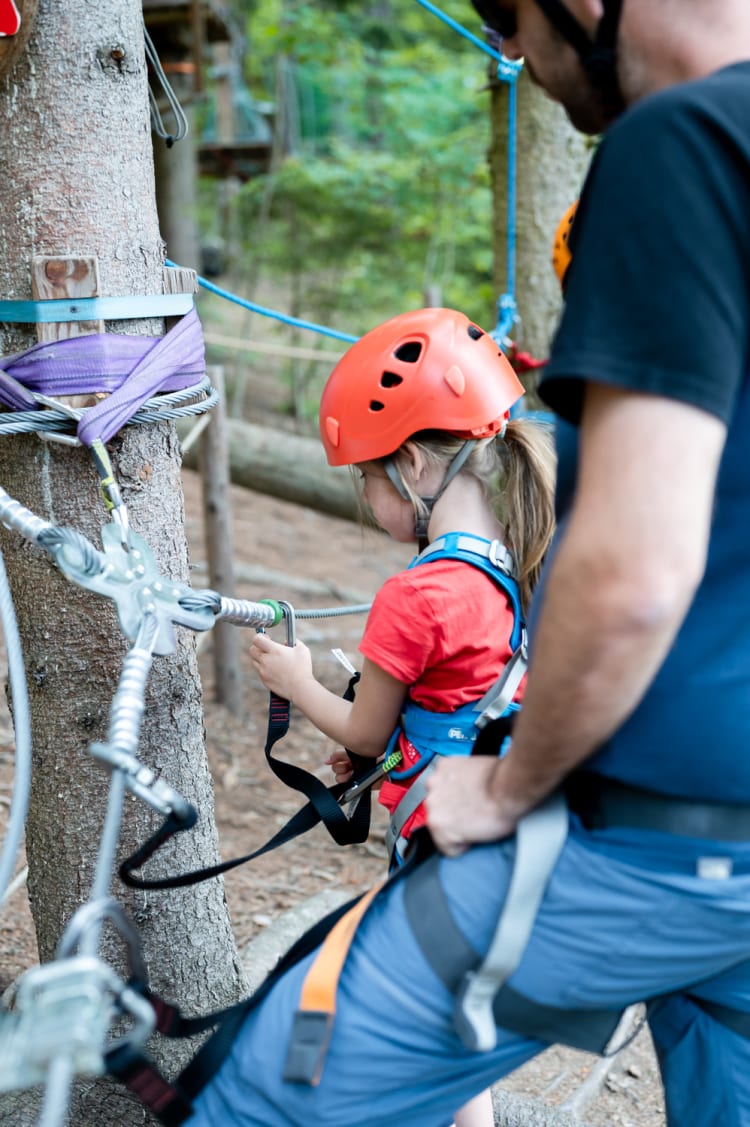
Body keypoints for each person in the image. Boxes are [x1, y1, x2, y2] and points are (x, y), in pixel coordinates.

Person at [185, 2, 750, 1124]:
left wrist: (509, 778)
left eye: (510, 20)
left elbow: (633, 573)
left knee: (262, 1090)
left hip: (663, 839)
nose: (519, 61)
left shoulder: (682, 142)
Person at [249, 305, 556, 1127]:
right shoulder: (520, 562)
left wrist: (299, 677)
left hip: (440, 851)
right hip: (504, 830)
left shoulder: (416, 592)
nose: (367, 499)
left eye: (368, 480)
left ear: (414, 465)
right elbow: (459, 699)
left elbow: (362, 734)